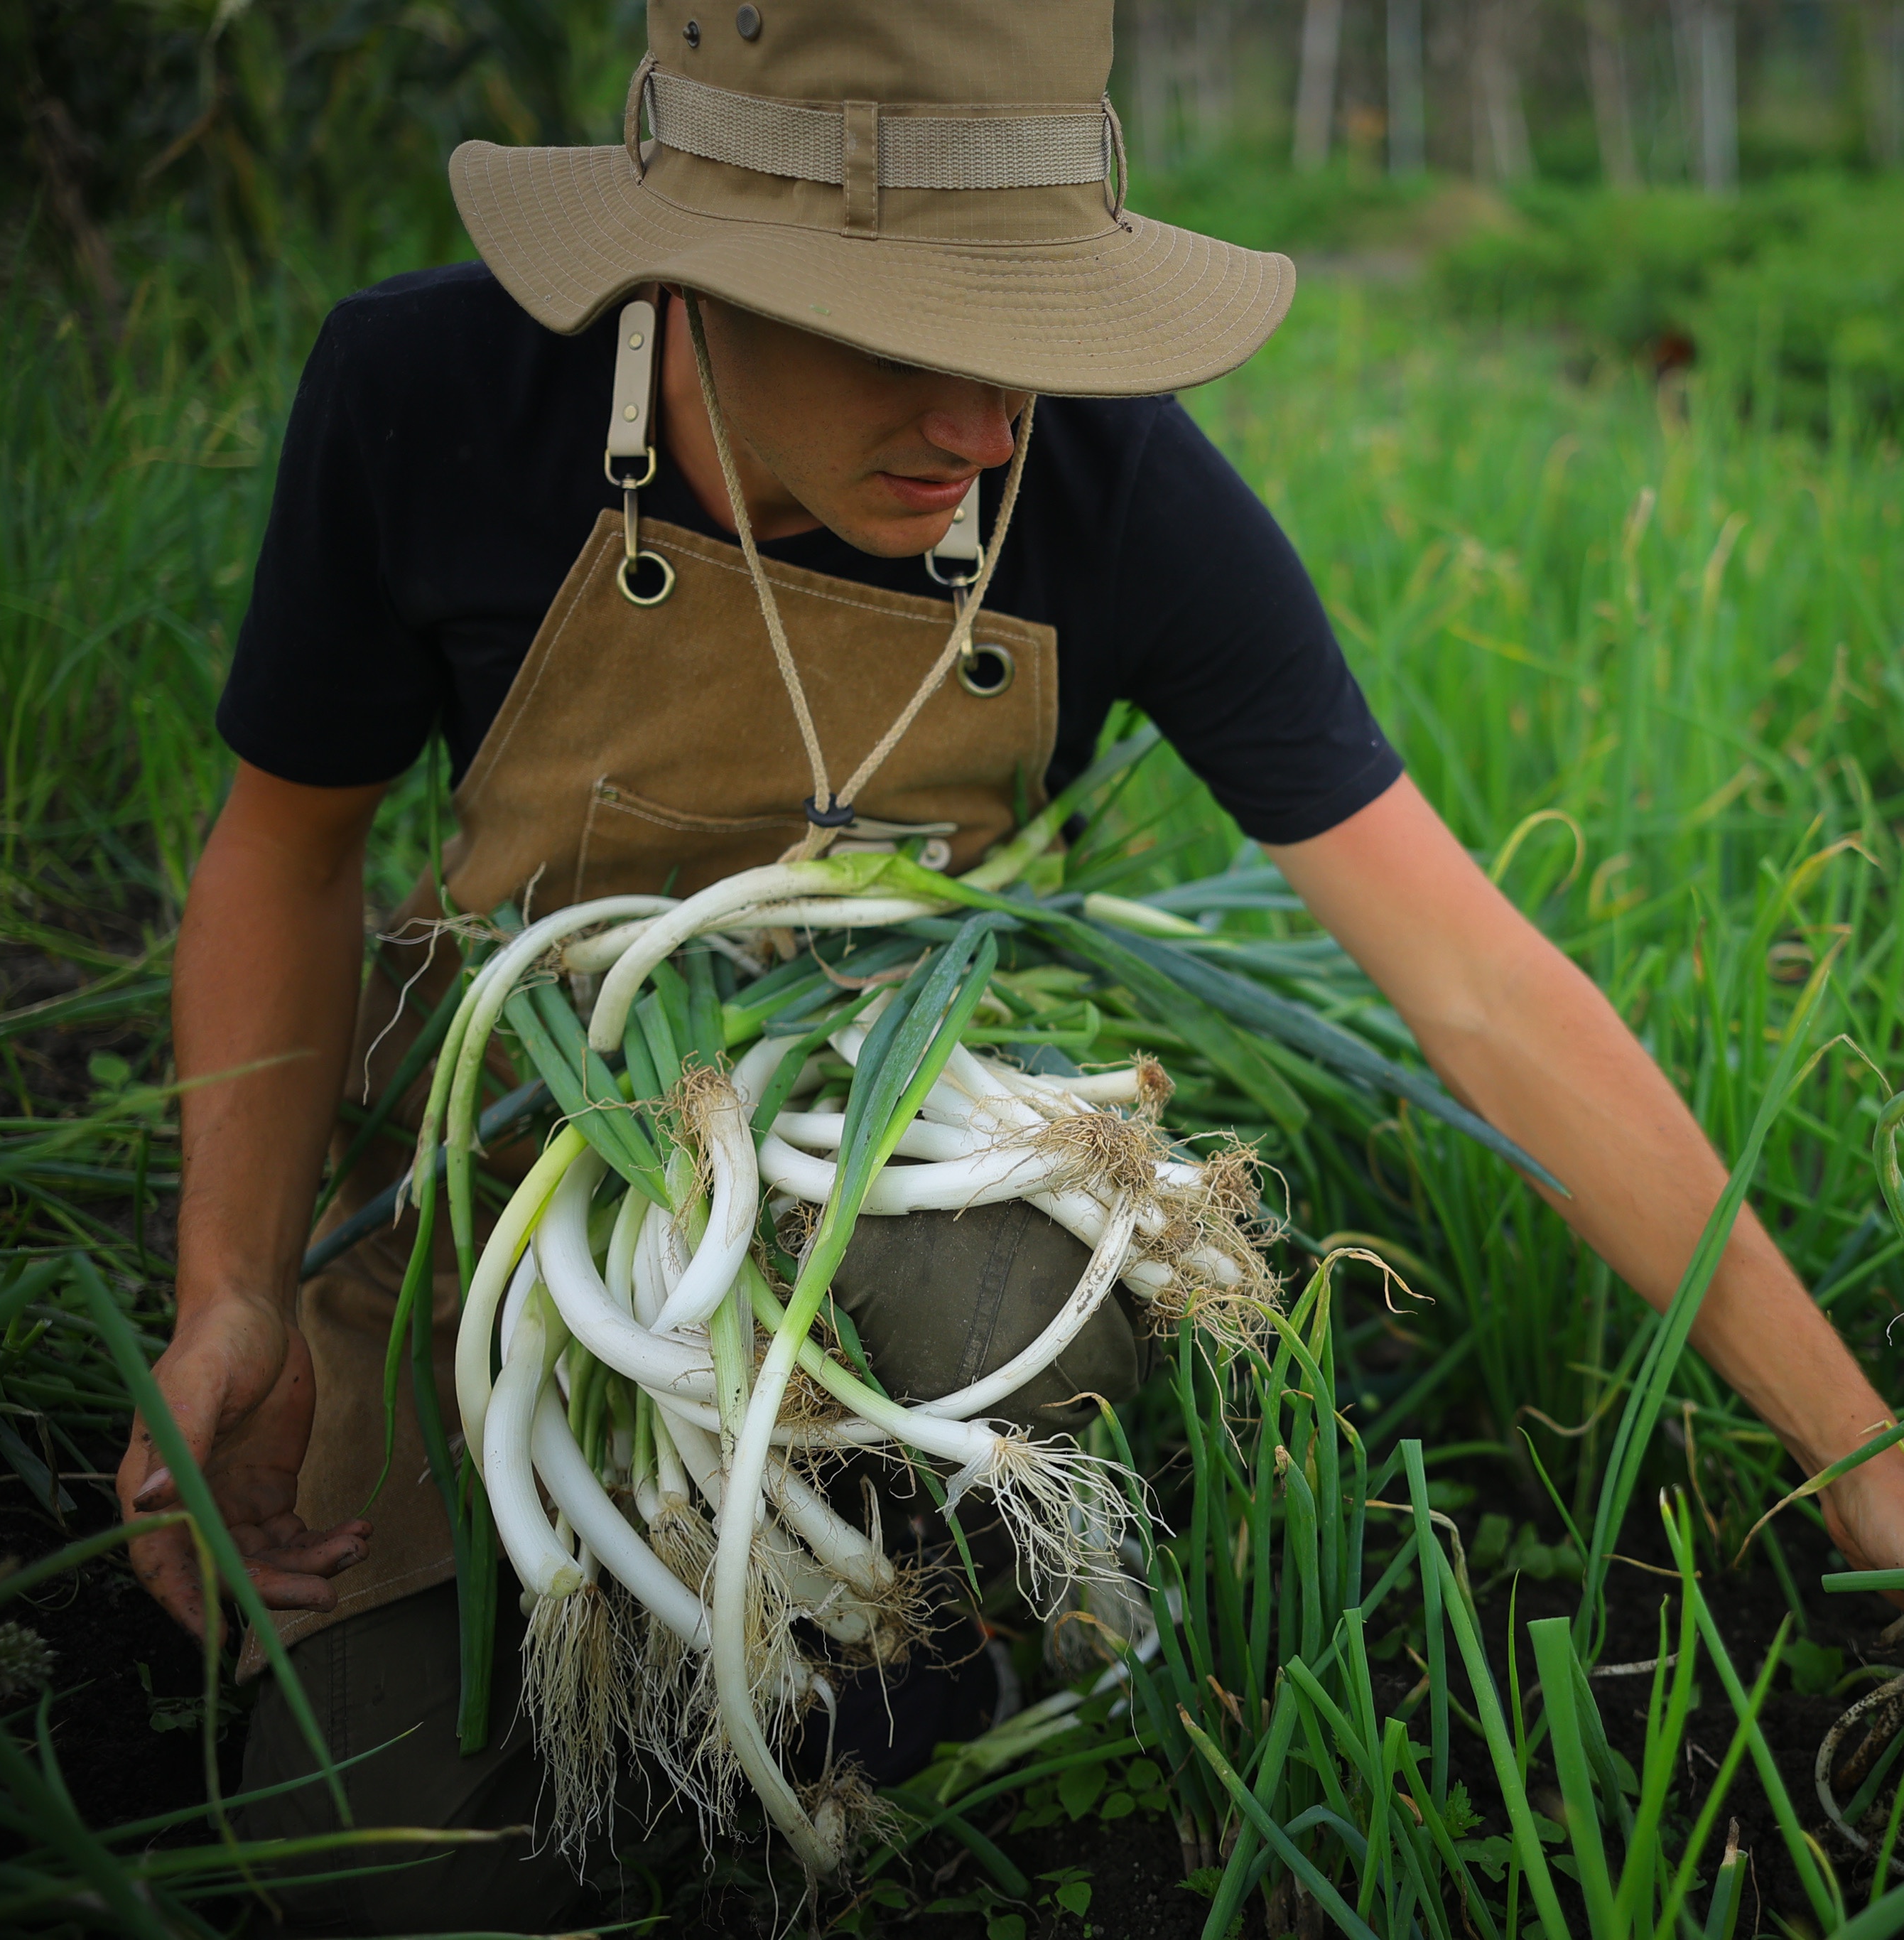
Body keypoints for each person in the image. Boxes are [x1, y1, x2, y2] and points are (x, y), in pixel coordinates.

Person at [117, 0, 1904, 1930]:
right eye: (915, 344)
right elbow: (285, 854)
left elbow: (1472, 980)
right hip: (497, 1170)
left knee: (987, 1295)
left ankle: (899, 1643)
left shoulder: (1113, 485)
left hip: (873, 1148)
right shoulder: (433, 393)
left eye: (1030, 342)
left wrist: (1861, 1454)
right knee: (382, 1873)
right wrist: (231, 1289)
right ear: (694, 279)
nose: (987, 430)